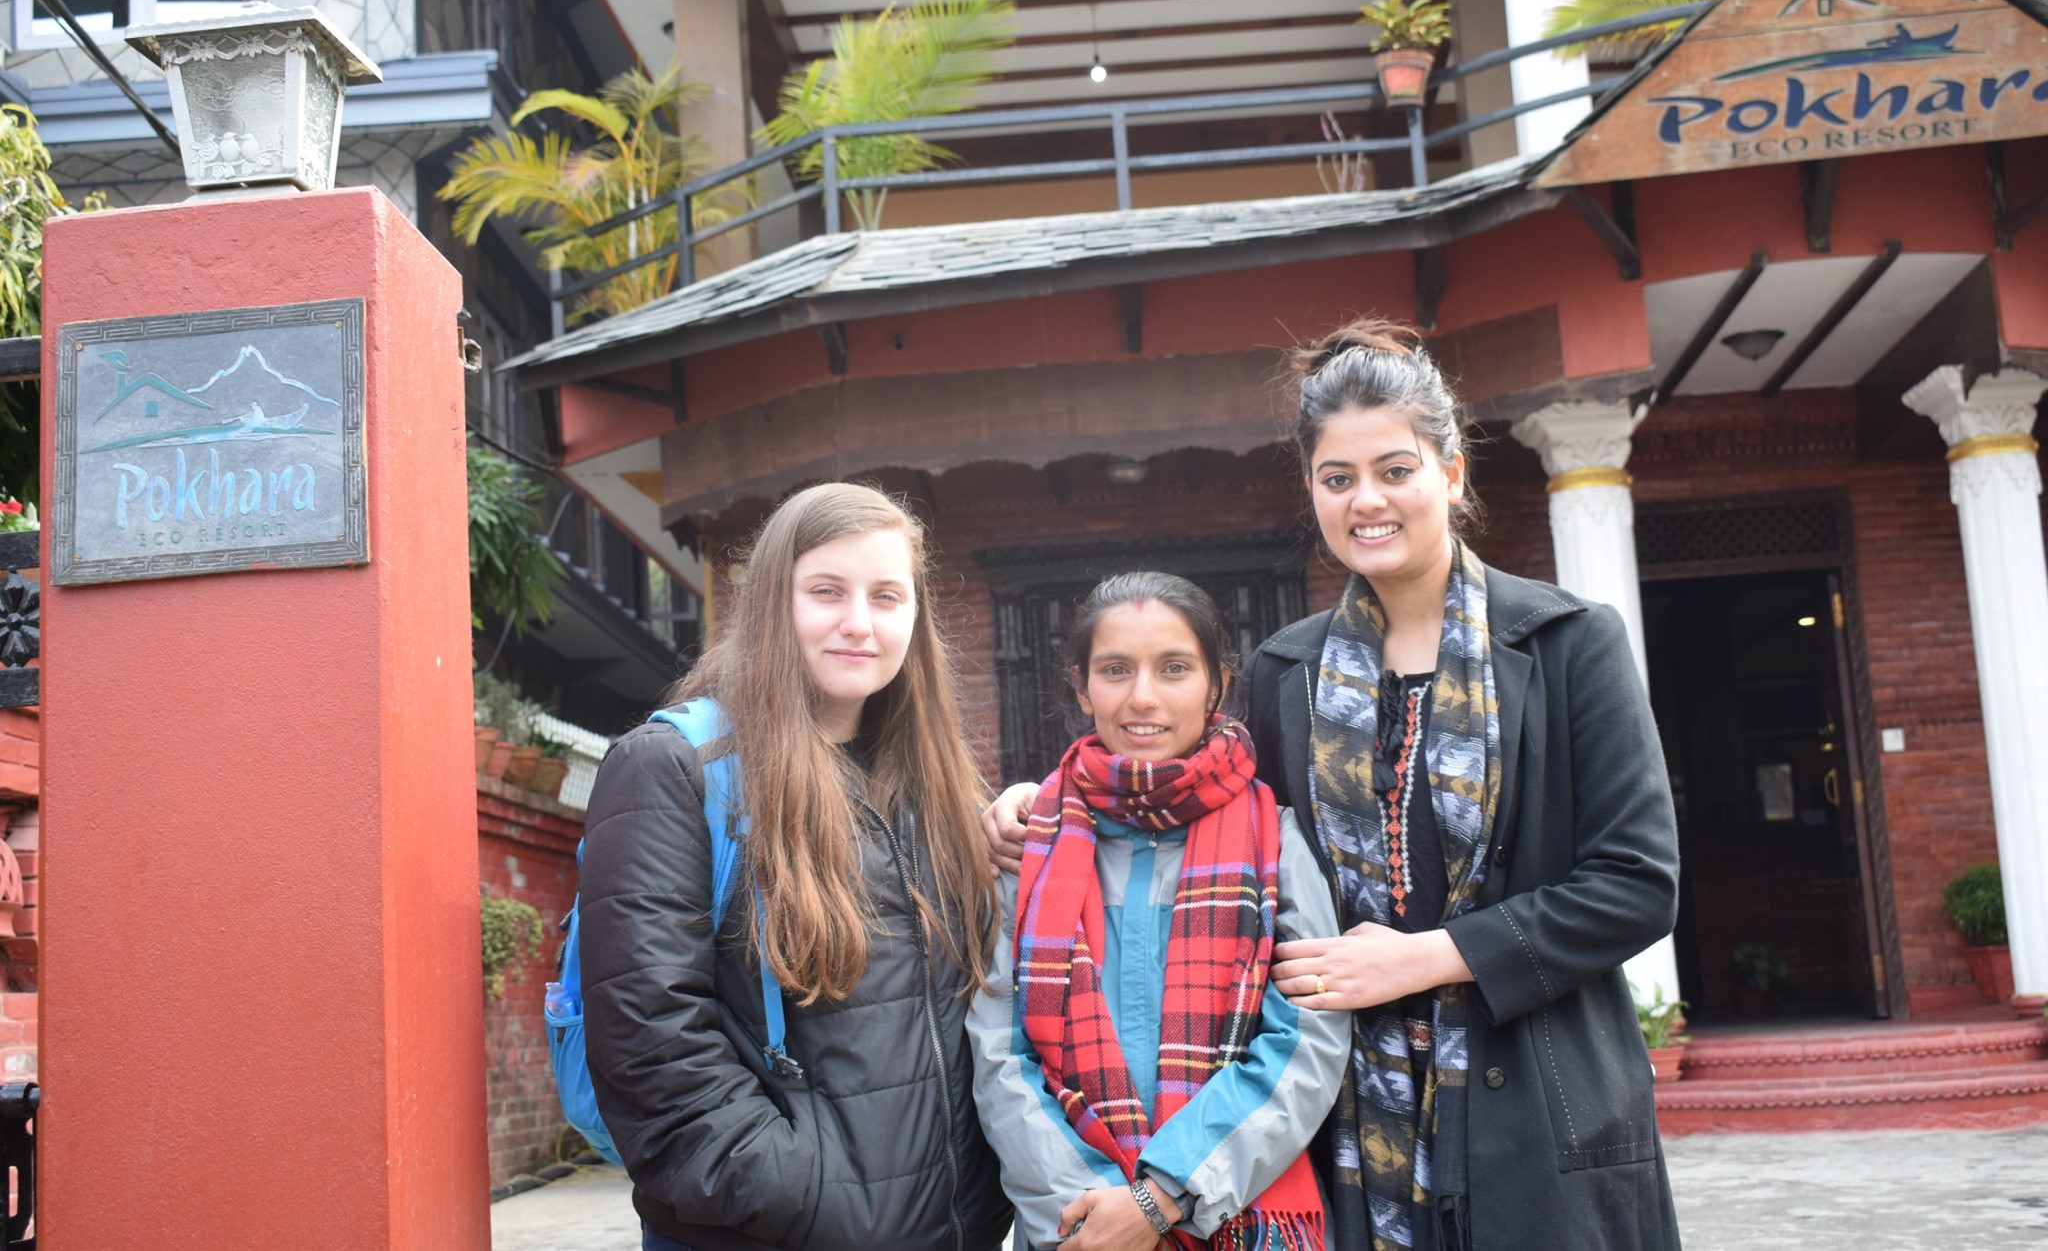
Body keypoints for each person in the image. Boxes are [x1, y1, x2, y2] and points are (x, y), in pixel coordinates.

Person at [984, 323, 1682, 1250]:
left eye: (1395, 469)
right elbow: (1205, 806)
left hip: (1538, 1113)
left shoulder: (1567, 643)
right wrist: (1043, 799)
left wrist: (1429, 956)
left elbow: (1637, 883)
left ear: (1452, 473)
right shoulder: (1291, 669)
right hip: (1352, 1122)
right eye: (1337, 477)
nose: (1367, 500)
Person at [580, 482, 1012, 1251]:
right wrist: (804, 1199)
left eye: (886, 595)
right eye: (826, 591)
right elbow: (649, 1044)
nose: (859, 622)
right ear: (772, 603)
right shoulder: (674, 769)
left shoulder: (935, 785)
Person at [969, 571, 1349, 1251]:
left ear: (1216, 686)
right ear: (1082, 688)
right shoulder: (1029, 847)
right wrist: (1088, 1216)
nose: (1142, 696)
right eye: (1116, 670)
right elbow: (1002, 1053)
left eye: (1174, 668)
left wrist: (1163, 1197)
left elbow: (1305, 1043)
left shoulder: (1277, 840)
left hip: (1238, 1211)